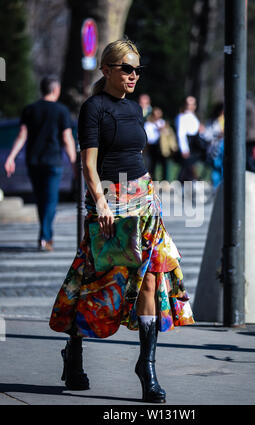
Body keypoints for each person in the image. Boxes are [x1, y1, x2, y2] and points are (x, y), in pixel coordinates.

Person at [49, 39, 195, 403]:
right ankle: (75, 353)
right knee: (94, 282)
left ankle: (147, 367)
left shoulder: (134, 110)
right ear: (107, 70)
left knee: (150, 280)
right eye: (126, 68)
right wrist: (99, 201)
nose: (133, 75)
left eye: (137, 70)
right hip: (109, 206)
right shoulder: (93, 108)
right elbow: (88, 164)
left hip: (144, 204)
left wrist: (151, 191)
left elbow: (137, 156)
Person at [4, 76, 76, 251]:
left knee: (41, 200)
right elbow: (67, 138)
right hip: (53, 162)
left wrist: (11, 156)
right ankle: (45, 237)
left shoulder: (30, 109)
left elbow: (22, 134)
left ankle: (45, 236)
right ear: (55, 90)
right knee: (50, 200)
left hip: (33, 161)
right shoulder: (61, 110)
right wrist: (74, 162)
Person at [175, 96, 206, 188]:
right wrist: (184, 148)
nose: (190, 106)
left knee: (191, 164)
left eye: (193, 104)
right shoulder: (181, 117)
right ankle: (186, 183)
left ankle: (190, 181)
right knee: (187, 165)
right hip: (188, 142)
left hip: (195, 142)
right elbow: (181, 134)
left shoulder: (194, 116)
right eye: (189, 104)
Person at [144, 107, 167, 181]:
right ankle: (152, 181)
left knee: (164, 165)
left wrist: (163, 130)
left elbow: (167, 134)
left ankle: (164, 181)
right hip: (151, 146)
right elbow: (147, 136)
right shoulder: (148, 124)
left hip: (161, 147)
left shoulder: (162, 122)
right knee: (151, 165)